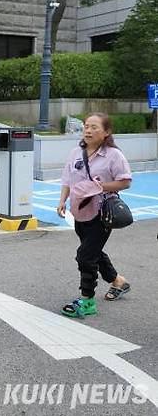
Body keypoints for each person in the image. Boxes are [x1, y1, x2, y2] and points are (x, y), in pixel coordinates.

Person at [57, 112, 132, 318]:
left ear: (106, 132)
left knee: (85, 256)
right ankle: (118, 282)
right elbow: (67, 180)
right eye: (86, 126)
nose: (88, 131)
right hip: (80, 213)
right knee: (94, 252)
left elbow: (125, 181)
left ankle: (87, 300)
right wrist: (62, 200)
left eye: (94, 127)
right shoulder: (75, 153)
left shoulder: (113, 155)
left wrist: (100, 186)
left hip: (101, 214)